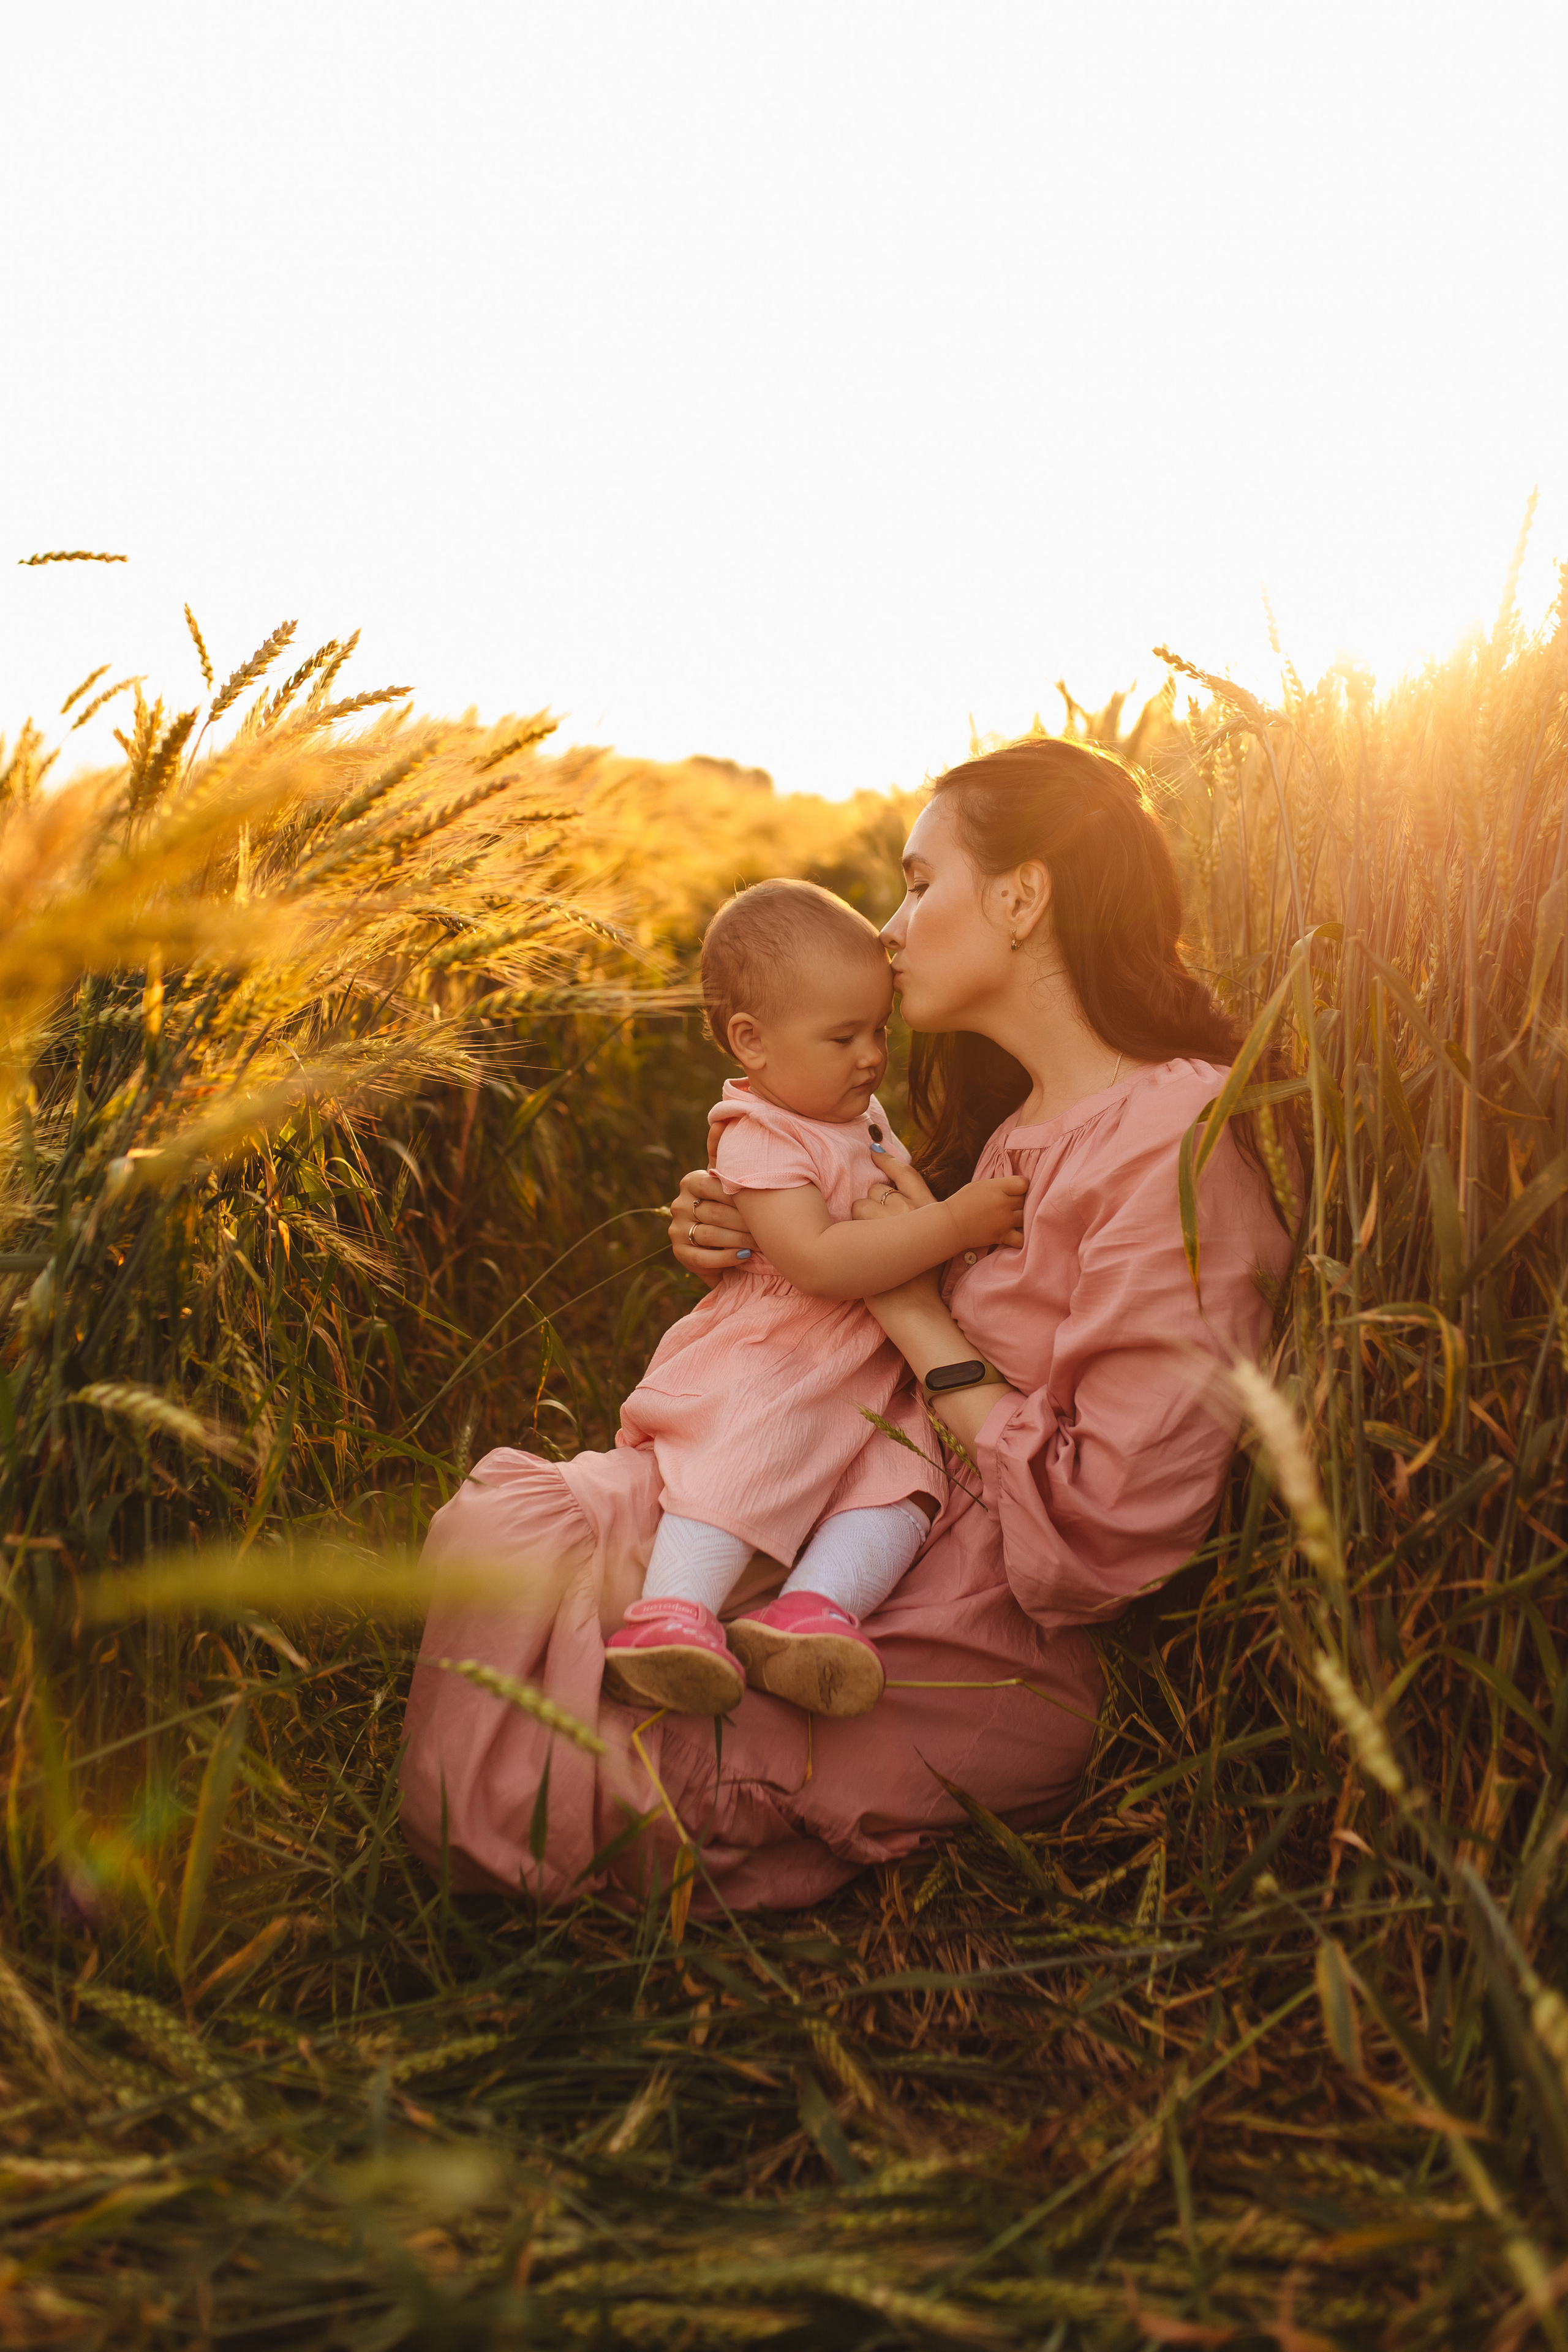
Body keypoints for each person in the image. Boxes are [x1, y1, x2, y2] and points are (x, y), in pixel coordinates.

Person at [399, 736, 1295, 1914]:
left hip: (974, 1618)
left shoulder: (1178, 1141)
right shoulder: (1005, 1127)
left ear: (1024, 898)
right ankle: (695, 1630)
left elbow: (1109, 1533)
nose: (888, 927)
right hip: (829, 1490)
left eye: (919, 885)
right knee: (500, 1541)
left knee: (550, 1781)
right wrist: (749, 1230)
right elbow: (841, 1256)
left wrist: (915, 1315)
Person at [603, 876, 1027, 1722]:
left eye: (879, 1030)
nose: (872, 1056)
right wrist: (952, 1224)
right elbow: (819, 1262)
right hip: (780, 1354)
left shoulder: (855, 1113)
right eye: (843, 1037)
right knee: (744, 1457)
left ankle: (814, 1613)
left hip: (869, 1369)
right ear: (752, 1043)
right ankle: (673, 1612)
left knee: (903, 1487)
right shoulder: (760, 1131)